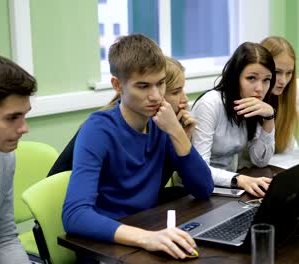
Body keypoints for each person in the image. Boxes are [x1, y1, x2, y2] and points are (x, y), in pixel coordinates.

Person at [62, 34, 213, 260]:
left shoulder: (162, 123)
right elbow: (74, 215)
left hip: (148, 229)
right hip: (107, 245)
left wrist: (177, 132)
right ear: (117, 85)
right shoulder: (97, 130)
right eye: (143, 86)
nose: (155, 96)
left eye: (160, 83)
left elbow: (203, 189)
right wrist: (146, 238)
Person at [47, 56, 196, 178]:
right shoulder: (102, 128)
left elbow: (154, 184)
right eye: (176, 92)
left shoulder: (158, 125)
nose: (184, 99)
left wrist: (181, 138)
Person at [191, 42, 276, 198]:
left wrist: (269, 117)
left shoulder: (252, 104)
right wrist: (239, 179)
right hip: (195, 191)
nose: (260, 88)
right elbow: (199, 169)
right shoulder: (210, 104)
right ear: (235, 77)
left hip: (229, 188)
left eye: (266, 80)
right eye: (251, 78)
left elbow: (261, 161)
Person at [0, 55, 35, 263]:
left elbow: (3, 237)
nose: (24, 128)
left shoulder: (5, 158)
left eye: (24, 115)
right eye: (12, 118)